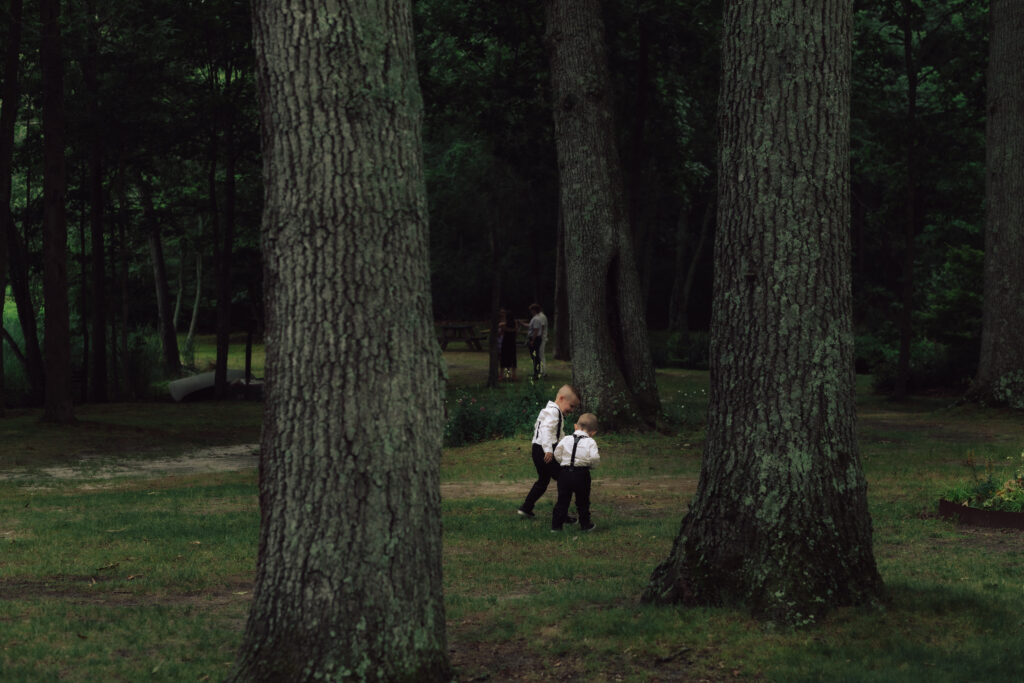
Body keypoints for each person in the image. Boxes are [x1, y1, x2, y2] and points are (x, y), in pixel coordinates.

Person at [517, 384, 579, 520]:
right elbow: (545, 431)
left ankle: (526, 508)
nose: (572, 410)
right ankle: (561, 514)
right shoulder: (553, 412)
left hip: (537, 449)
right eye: (572, 406)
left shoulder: (551, 411)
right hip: (544, 451)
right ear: (562, 398)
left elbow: (558, 434)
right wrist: (548, 450)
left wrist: (567, 445)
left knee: (543, 481)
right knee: (565, 480)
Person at [551, 413, 599, 532]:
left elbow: (557, 453)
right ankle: (585, 524)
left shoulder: (566, 439)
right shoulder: (591, 442)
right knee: (583, 501)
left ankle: (556, 526)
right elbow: (594, 458)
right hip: (581, 474)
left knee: (562, 500)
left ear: (575, 426)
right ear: (593, 433)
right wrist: (590, 466)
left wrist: (563, 462)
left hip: (565, 474)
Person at [523, 303, 548, 380]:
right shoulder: (536, 318)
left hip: (537, 338)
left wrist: (533, 339)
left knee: (538, 355)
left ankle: (541, 372)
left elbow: (537, 329)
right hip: (537, 337)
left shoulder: (539, 317)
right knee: (536, 356)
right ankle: (538, 371)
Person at [498, 308, 518, 381]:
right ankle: (513, 375)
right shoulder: (514, 323)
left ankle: (502, 375)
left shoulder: (503, 324)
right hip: (512, 342)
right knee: (512, 359)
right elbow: (516, 331)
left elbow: (500, 332)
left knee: (504, 359)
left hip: (506, 342)